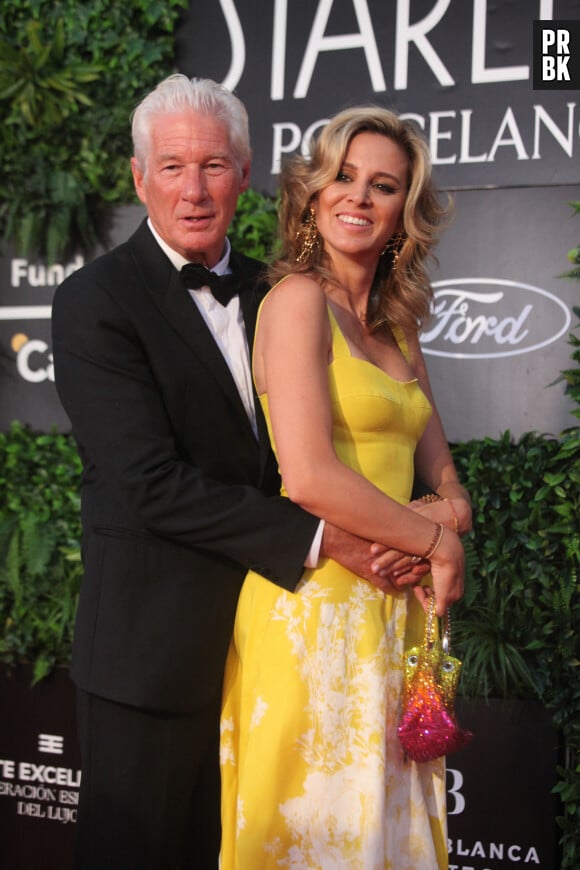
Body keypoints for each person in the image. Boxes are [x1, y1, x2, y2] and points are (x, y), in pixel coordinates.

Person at [51, 76, 425, 870]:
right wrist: (329, 539)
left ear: (246, 174)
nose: (194, 190)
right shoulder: (95, 301)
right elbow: (149, 482)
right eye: (174, 166)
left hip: (272, 650)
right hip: (154, 659)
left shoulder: (282, 293)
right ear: (138, 176)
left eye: (214, 166)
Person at [219, 105, 472, 869]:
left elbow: (447, 476)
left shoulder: (399, 329)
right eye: (344, 177)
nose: (358, 197)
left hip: (395, 617)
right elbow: (309, 475)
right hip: (315, 613)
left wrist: (446, 518)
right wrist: (432, 538)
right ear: (314, 193)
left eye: (383, 185)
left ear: (405, 213)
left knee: (384, 841)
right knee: (316, 838)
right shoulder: (295, 301)